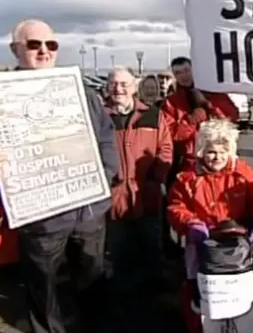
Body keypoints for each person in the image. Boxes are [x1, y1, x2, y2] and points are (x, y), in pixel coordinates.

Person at [0, 19, 119, 333]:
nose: (44, 51)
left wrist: (104, 177)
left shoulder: (81, 91)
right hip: (41, 221)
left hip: (88, 214)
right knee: (44, 294)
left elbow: (106, 137)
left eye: (51, 44)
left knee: (93, 284)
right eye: (34, 45)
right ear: (15, 50)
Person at [167, 119, 253, 333]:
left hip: (236, 244)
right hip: (200, 243)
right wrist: (190, 223)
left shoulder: (243, 173)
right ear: (201, 151)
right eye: (212, 152)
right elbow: (175, 206)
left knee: (238, 294)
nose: (217, 158)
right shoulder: (187, 178)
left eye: (223, 152)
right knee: (198, 292)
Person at [103, 67, 173, 331]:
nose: (118, 88)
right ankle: (124, 295)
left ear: (133, 87)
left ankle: (157, 289)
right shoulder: (100, 117)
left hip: (147, 191)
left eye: (123, 83)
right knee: (120, 246)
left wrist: (157, 177)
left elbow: (165, 148)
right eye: (113, 83)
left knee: (151, 241)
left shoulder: (153, 115)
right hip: (116, 195)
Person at [161, 56, 238, 185]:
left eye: (186, 70)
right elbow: (171, 133)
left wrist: (208, 104)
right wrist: (192, 120)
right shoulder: (171, 102)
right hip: (188, 161)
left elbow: (231, 117)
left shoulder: (214, 93)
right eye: (178, 73)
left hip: (219, 157)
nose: (183, 75)